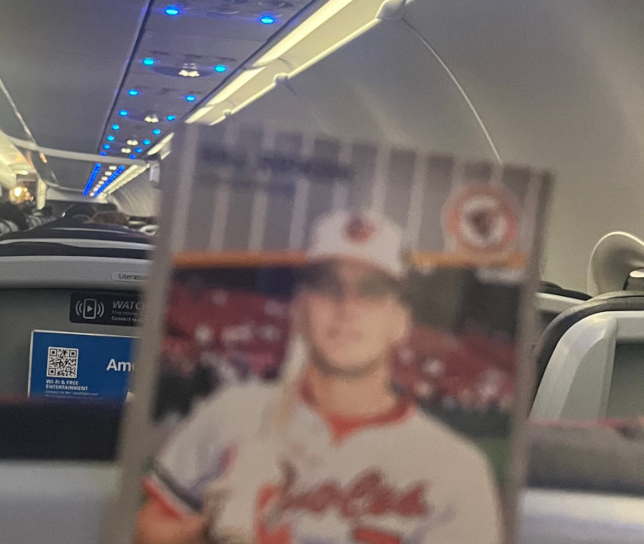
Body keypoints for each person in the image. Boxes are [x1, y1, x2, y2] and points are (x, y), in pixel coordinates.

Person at [135, 210, 501, 544]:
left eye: (371, 292)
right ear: (298, 309)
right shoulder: (232, 412)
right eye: (328, 287)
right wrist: (203, 531)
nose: (347, 307)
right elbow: (147, 527)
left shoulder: (458, 467)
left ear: (400, 322)